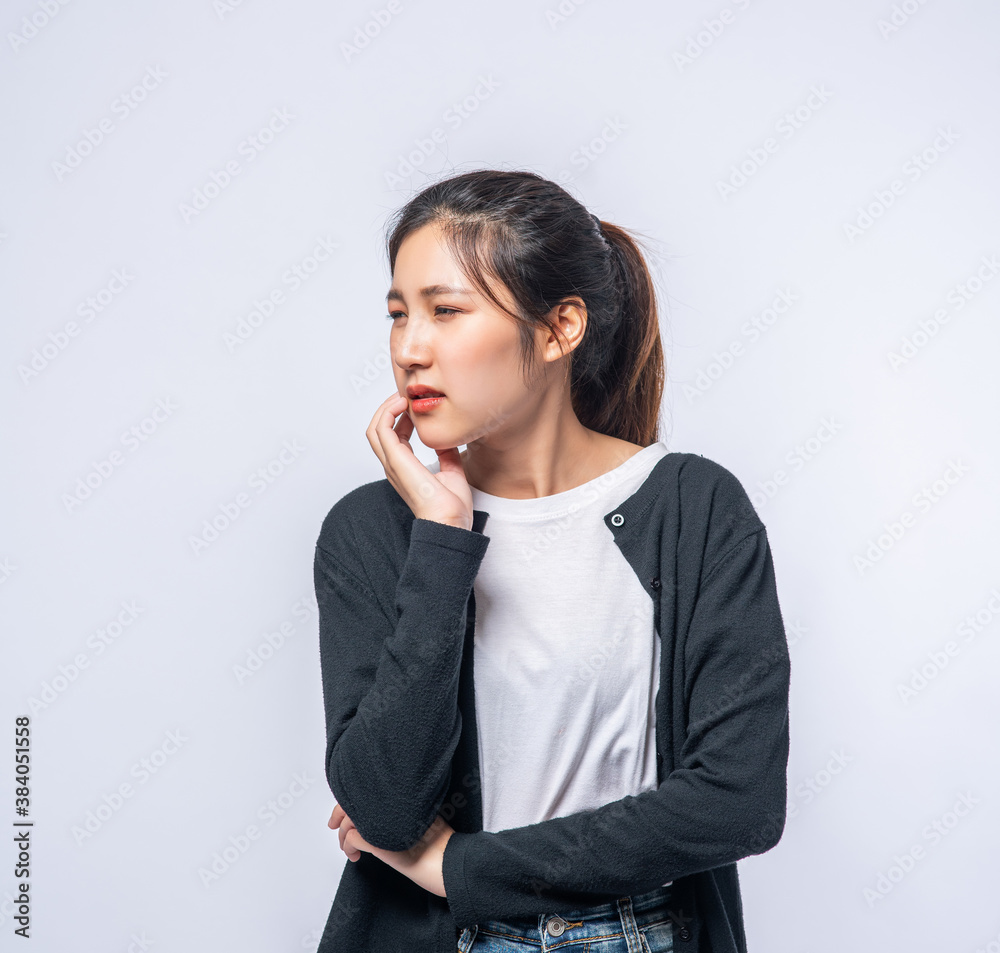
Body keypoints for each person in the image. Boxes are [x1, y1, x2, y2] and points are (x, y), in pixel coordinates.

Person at [314, 169, 790, 952]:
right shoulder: (375, 530)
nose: (410, 348)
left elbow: (736, 801)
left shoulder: (695, 508)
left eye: (446, 310)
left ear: (561, 327)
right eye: (398, 314)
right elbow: (387, 806)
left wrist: (456, 864)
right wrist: (443, 537)